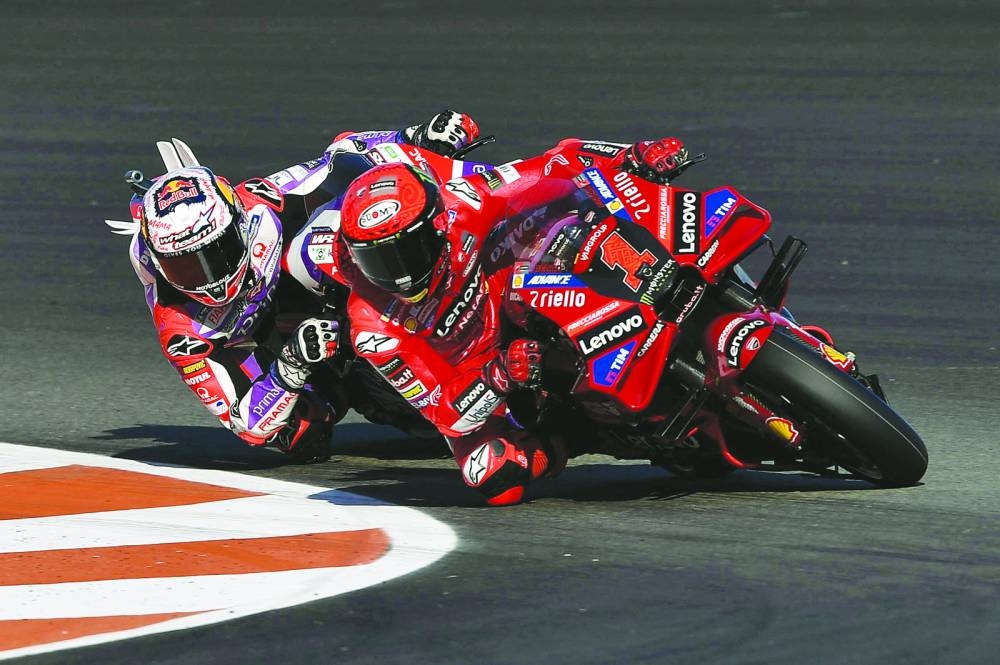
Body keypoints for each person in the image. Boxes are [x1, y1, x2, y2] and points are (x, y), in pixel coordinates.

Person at [317, 134, 689, 503]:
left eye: (407, 251)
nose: (399, 275)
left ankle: (673, 263)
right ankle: (583, 436)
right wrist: (498, 375)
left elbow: (553, 162)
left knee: (573, 213)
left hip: (513, 292)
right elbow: (443, 413)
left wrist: (631, 156)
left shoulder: (463, 201)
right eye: (377, 260)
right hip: (479, 374)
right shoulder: (371, 327)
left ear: (437, 224)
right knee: (493, 474)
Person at [124, 111, 480, 462]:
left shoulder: (262, 201)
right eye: (184, 266)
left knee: (337, 236)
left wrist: (417, 137)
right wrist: (291, 364)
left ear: (239, 222)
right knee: (299, 432)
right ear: (158, 261)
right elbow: (246, 424)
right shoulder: (180, 329)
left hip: (325, 294)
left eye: (218, 252)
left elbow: (344, 154)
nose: (210, 278)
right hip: (293, 352)